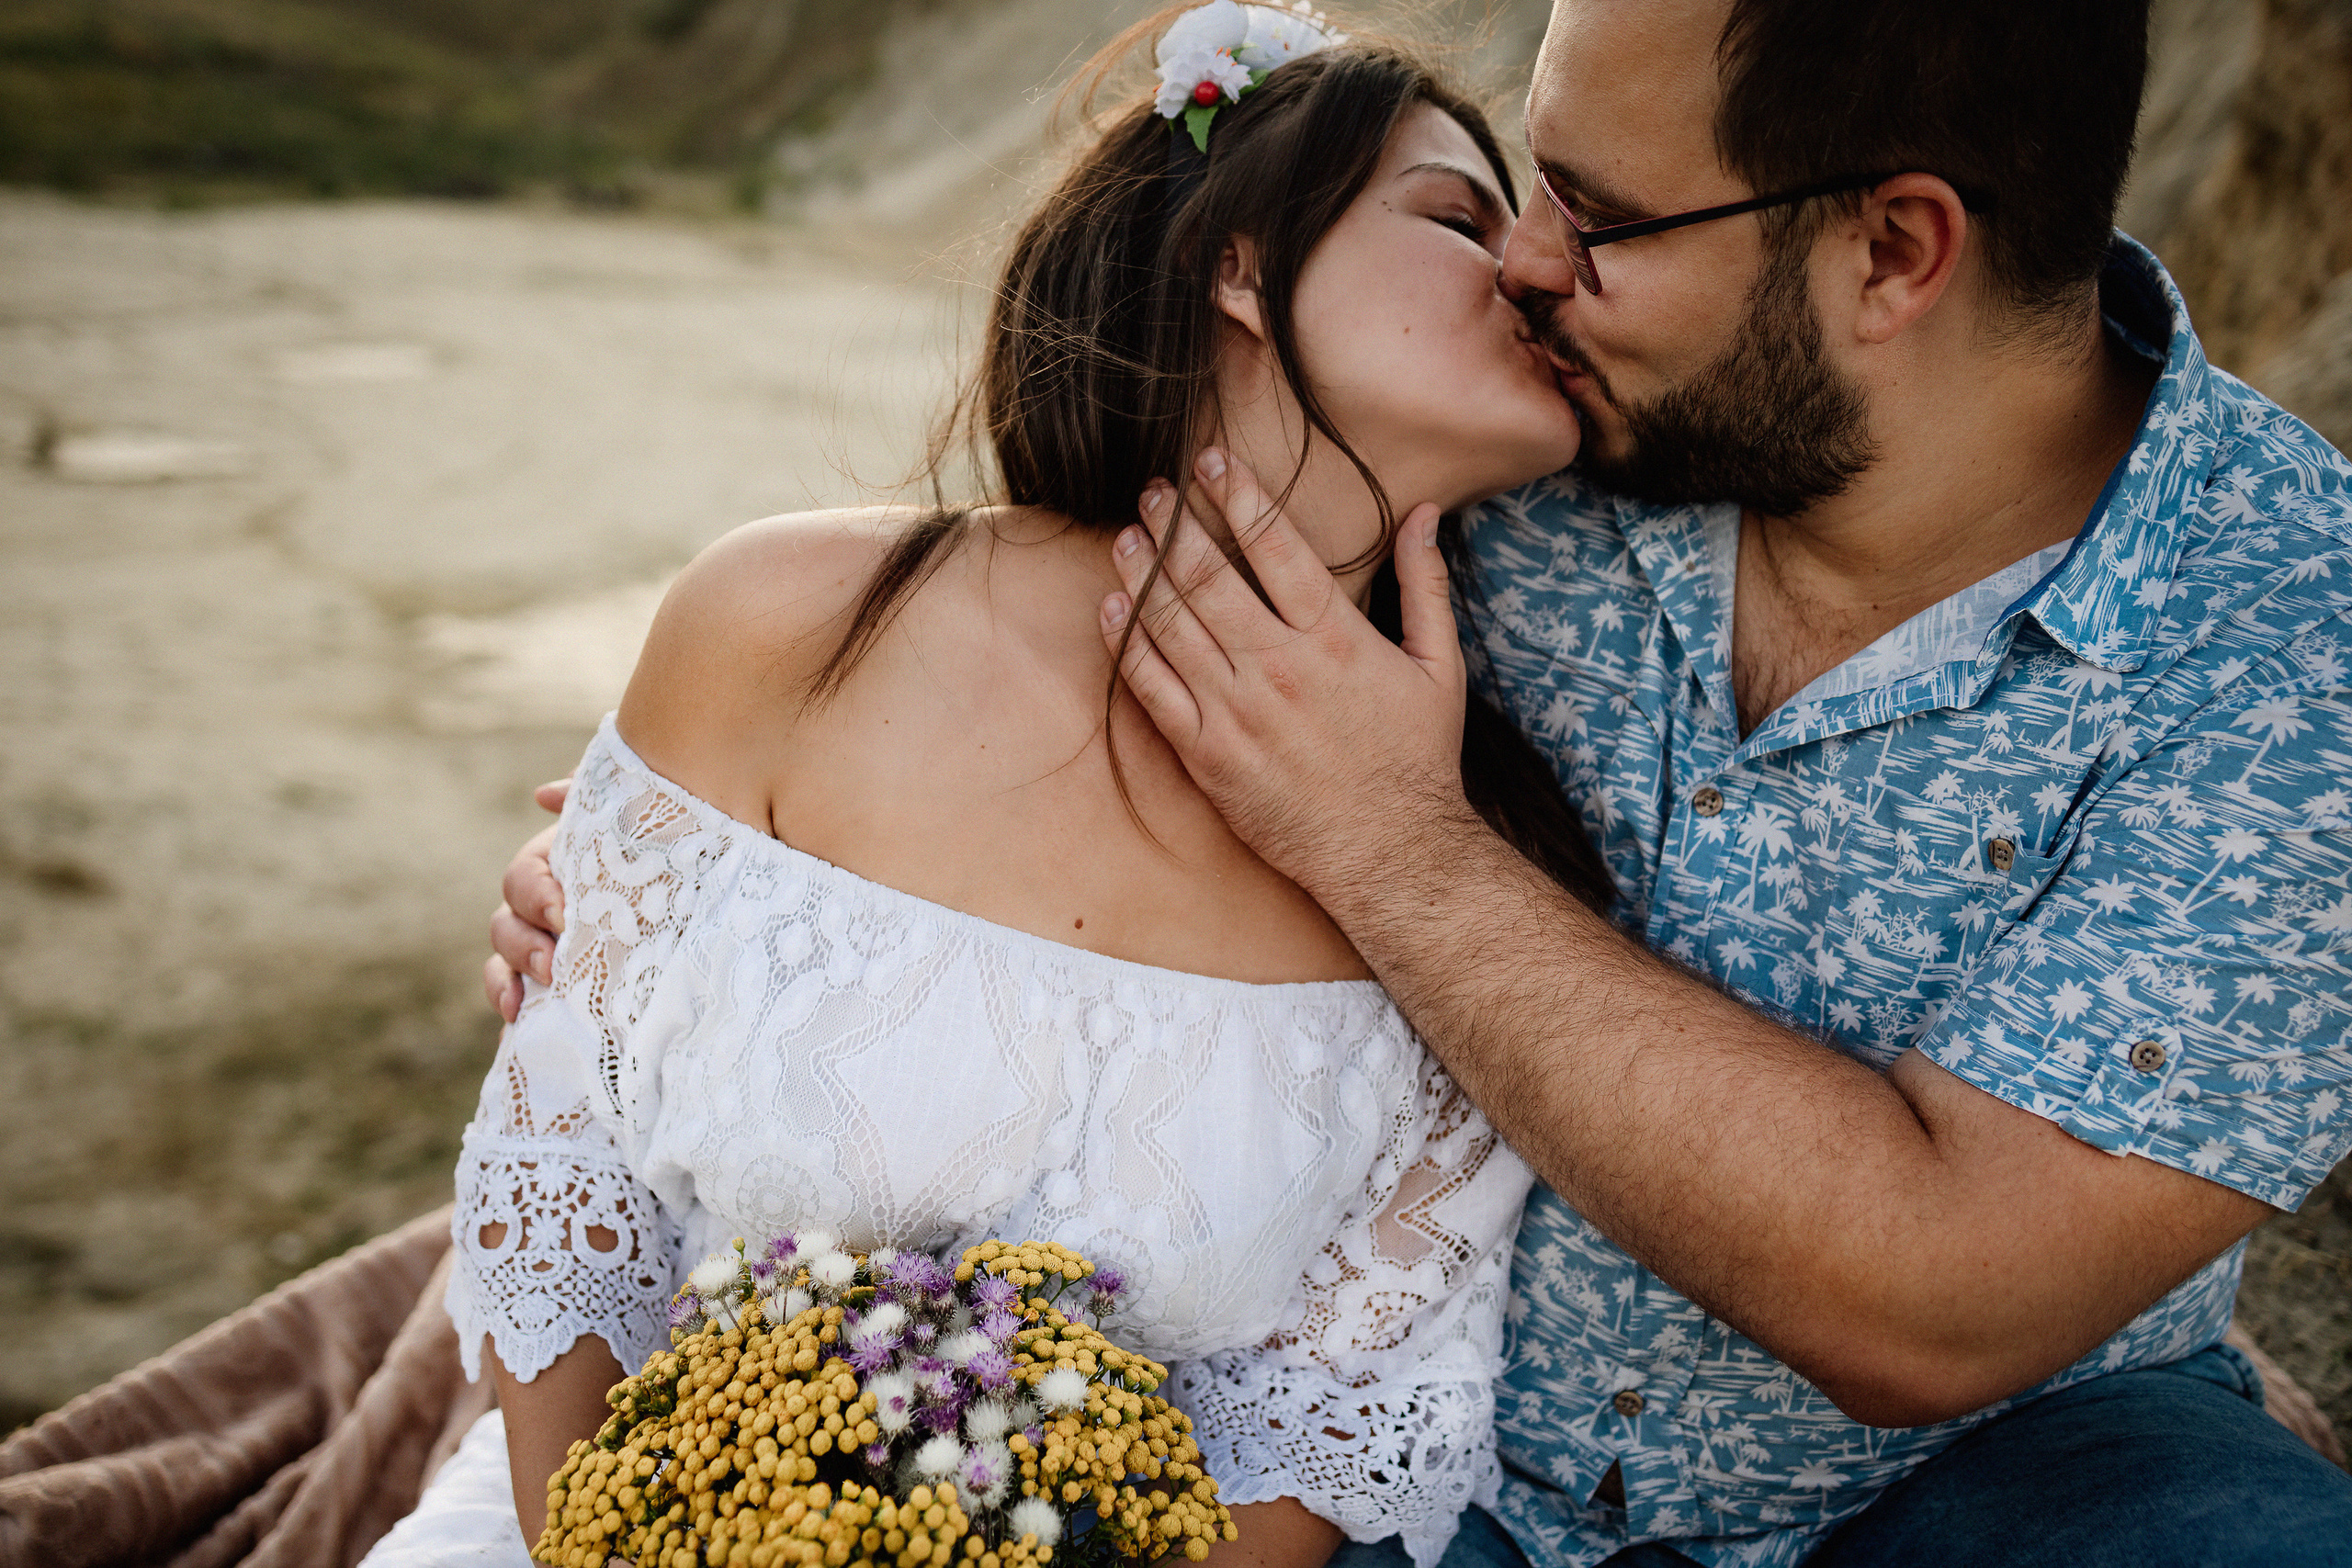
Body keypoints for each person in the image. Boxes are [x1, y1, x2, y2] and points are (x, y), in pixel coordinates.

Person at [497, 0, 2352, 1563]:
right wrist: (686, 912)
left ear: (1892, 252)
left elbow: (1933, 1293)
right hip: (1439, 1486)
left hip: (1990, 1470)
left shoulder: (2289, 644)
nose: (1528, 266)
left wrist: (1384, 835)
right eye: (1518, 185)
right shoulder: (1521, 427)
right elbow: (1069, 589)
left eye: (1600, 216)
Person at [384, 7, 1618, 1566]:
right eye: (1456, 215)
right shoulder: (793, 625)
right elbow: (571, 1177)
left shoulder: (1480, 878)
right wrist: (619, 1541)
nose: (1529, 270)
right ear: (1239, 262)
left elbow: (1321, 1416)